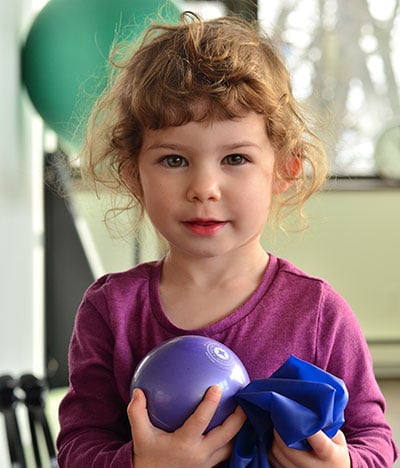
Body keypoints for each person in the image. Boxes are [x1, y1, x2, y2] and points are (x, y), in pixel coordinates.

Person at [56, 11, 399, 468]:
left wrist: (343, 464)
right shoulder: (111, 311)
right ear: (132, 170)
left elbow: (375, 439)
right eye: (174, 160)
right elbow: (78, 446)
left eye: (235, 157)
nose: (205, 187)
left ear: (283, 169)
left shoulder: (319, 313)